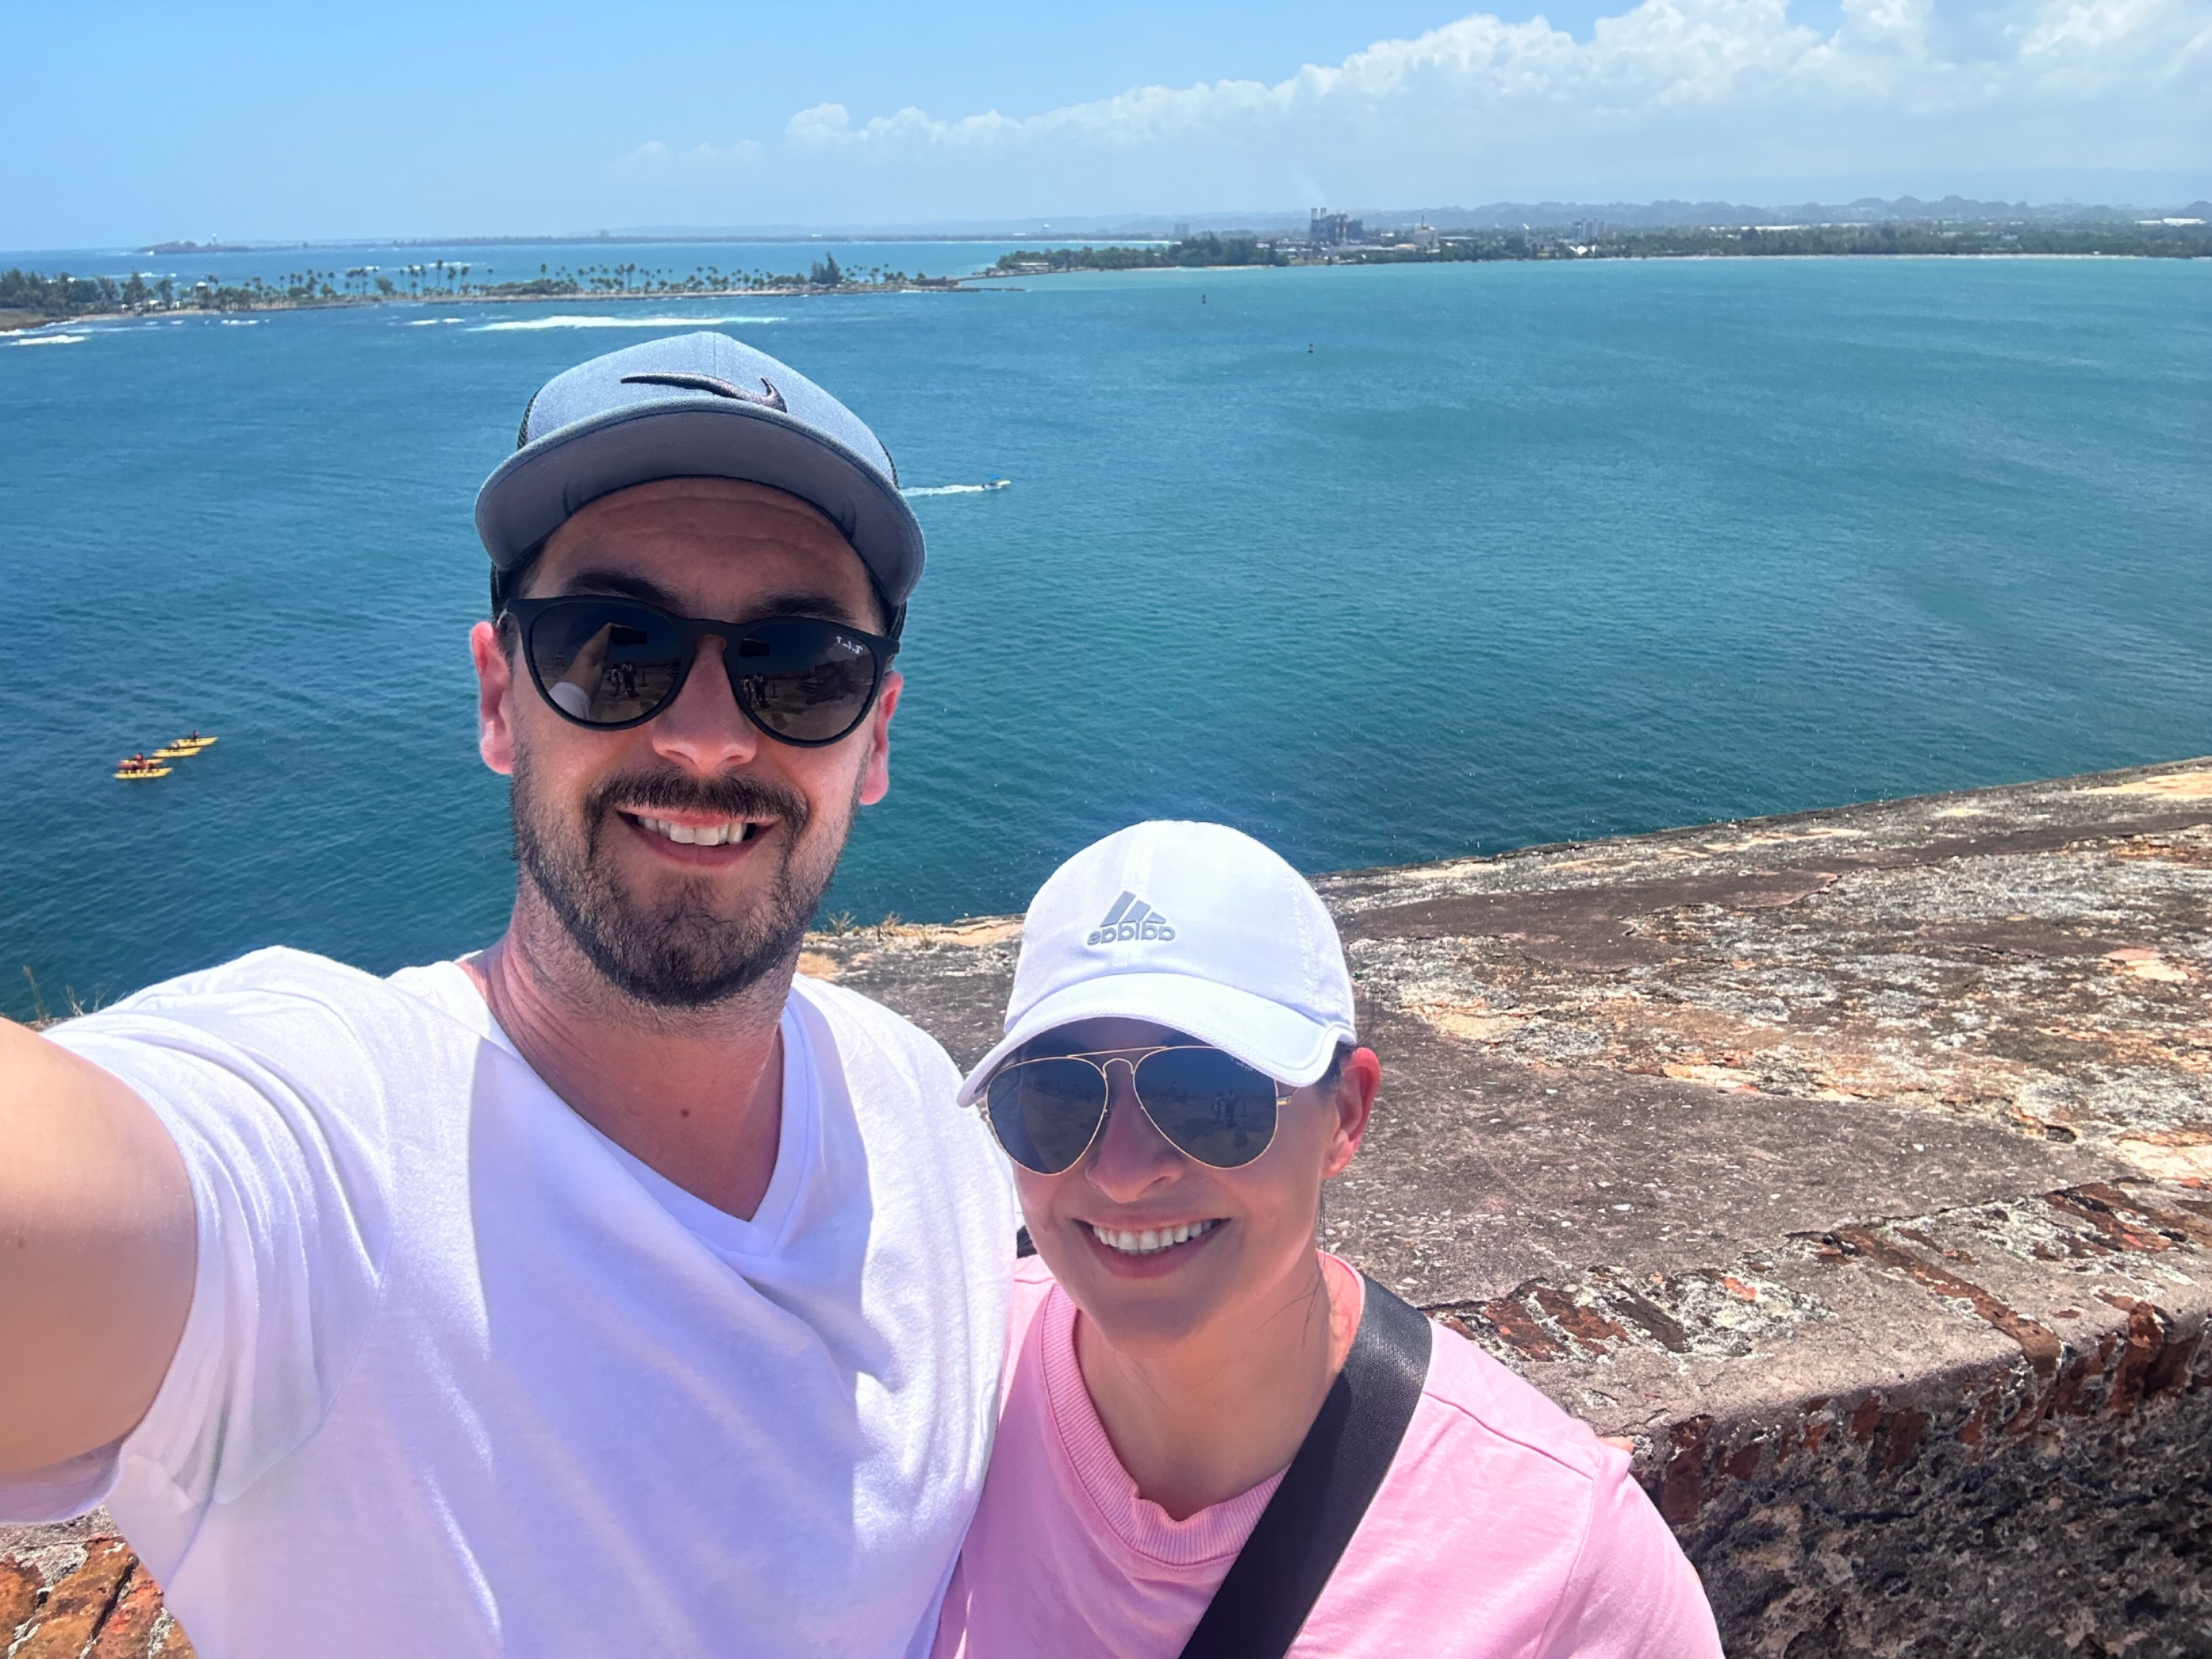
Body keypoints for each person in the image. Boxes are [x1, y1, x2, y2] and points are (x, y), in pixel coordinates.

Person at [1, 332, 1015, 1658]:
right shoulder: (334, 1151)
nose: (706, 734)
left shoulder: (928, 1119)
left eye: (800, 665)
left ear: (873, 737)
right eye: (615, 644)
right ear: (498, 697)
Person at [934, 821, 1723, 1658]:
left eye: (1208, 1094)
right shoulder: (935, 1382)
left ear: (1344, 1113)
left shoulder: (1568, 1560)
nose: (1126, 1173)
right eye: (1055, 1098)